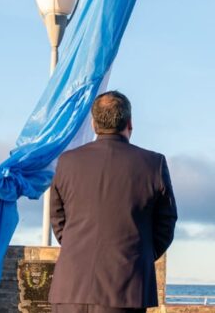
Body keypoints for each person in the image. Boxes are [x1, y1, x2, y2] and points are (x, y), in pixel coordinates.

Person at [48, 91, 178, 313]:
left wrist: (78, 249)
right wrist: (138, 255)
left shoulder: (67, 162)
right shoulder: (153, 164)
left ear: (93, 123)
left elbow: (59, 221)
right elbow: (166, 223)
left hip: (70, 288)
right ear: (129, 123)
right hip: (127, 288)